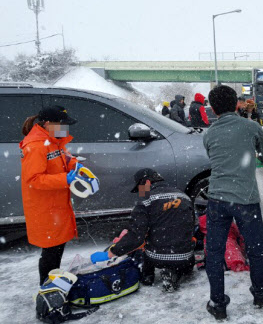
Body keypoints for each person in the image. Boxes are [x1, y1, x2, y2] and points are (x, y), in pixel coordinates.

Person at [203, 85, 263, 320]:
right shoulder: (251, 127)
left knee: (214, 252)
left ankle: (218, 302)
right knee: (255, 248)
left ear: (213, 109)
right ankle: (260, 292)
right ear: (237, 104)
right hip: (246, 199)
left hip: (217, 199)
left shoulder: (209, 133)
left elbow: (214, 157)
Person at [90, 168, 196, 293]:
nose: (140, 193)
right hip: (186, 258)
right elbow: (192, 226)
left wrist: (111, 253)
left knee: (143, 249)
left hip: (158, 257)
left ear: (147, 183)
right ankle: (175, 270)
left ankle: (148, 276)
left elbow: (136, 237)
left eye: (140, 189)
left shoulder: (146, 200)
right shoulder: (184, 196)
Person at [19, 105, 81, 286]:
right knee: (51, 252)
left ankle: (53, 287)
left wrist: (76, 166)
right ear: (47, 124)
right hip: (45, 209)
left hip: (56, 206)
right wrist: (65, 179)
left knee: (57, 248)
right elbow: (34, 179)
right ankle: (48, 293)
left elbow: (65, 158)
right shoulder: (36, 146)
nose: (65, 129)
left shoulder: (54, 140)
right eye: (62, 124)